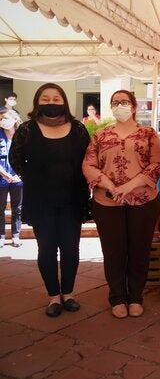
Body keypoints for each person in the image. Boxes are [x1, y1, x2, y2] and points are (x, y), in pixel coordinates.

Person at [9, 83, 90, 317]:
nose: (51, 103)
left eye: (56, 99)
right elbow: (15, 159)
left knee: (71, 249)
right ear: (37, 102)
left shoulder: (78, 128)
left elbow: (89, 158)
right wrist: (33, 178)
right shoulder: (26, 129)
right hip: (40, 199)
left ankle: (69, 294)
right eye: (46, 99)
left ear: (64, 101)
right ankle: (53, 296)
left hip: (73, 198)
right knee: (46, 249)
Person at [82, 90, 160, 319]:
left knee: (140, 250)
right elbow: (88, 165)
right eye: (115, 102)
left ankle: (136, 296)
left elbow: (157, 163)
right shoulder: (100, 135)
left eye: (124, 102)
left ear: (134, 107)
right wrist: (110, 185)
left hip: (143, 200)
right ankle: (117, 297)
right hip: (107, 201)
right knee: (113, 251)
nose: (120, 106)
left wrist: (128, 186)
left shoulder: (148, 134)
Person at [0, 107, 23, 248]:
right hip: (1, 179)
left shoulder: (22, 137)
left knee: (17, 209)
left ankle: (16, 236)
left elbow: (28, 158)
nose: (3, 121)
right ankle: (1, 237)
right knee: (0, 209)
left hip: (18, 180)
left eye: (5, 118)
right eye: (1, 119)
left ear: (15, 119)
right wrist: (5, 174)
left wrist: (19, 176)